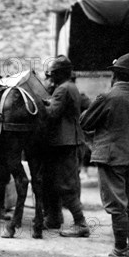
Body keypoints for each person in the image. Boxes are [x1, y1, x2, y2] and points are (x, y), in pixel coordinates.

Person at [80, 53, 129, 257]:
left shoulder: (107, 97)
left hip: (112, 158)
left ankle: (119, 252)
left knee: (117, 205)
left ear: (115, 75)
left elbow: (85, 123)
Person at [42, 55, 89, 237]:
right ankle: (54, 218)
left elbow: (53, 113)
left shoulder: (62, 89)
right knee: (55, 182)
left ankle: (81, 223)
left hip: (63, 142)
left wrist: (39, 103)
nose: (51, 77)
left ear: (60, 74)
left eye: (53, 74)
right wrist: (50, 102)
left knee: (65, 184)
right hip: (68, 141)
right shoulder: (70, 87)